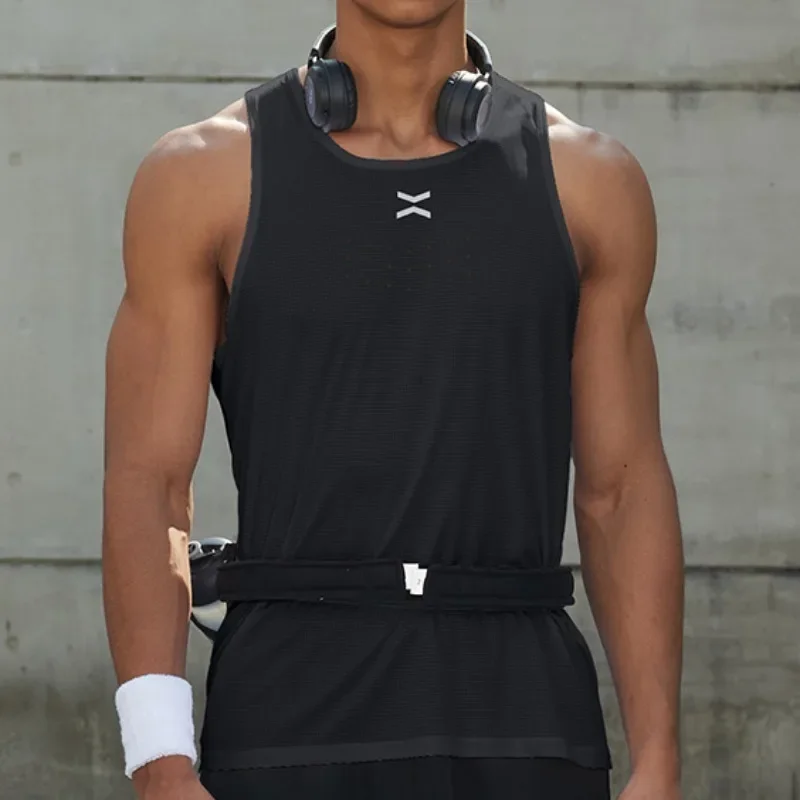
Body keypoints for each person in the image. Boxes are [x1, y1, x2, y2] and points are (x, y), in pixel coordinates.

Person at [102, 1, 685, 798]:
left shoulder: (592, 181)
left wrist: (659, 760)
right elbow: (151, 485)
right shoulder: (200, 175)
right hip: (285, 724)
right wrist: (159, 762)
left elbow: (622, 488)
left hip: (527, 722)